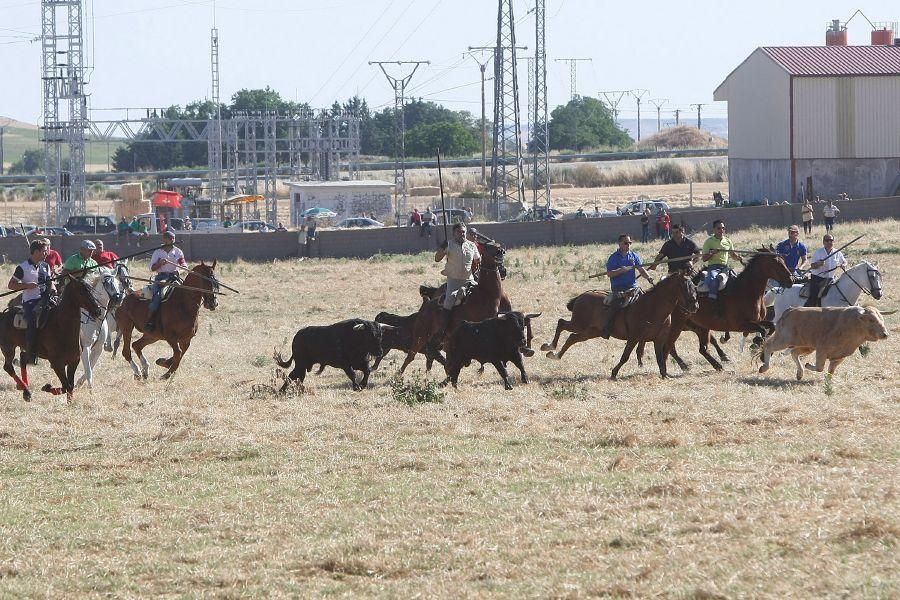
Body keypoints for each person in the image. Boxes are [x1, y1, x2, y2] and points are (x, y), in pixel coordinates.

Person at [8, 239, 55, 365]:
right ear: (36, 252)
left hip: (47, 299)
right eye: (44, 251)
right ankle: (30, 354)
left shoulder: (46, 266)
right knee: (32, 322)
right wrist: (26, 286)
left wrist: (54, 290)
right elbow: (11, 285)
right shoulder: (22, 267)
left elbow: (50, 282)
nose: (47, 253)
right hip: (31, 302)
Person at [601, 234, 654, 339]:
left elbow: (641, 269)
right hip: (619, 288)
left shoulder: (634, 256)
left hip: (633, 287)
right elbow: (610, 274)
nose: (628, 245)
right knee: (617, 306)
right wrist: (621, 270)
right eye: (626, 243)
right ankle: (608, 328)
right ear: (620, 243)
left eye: (630, 243)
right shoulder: (614, 257)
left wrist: (648, 277)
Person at [434, 222, 481, 334]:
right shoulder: (449, 245)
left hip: (469, 280)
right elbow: (437, 259)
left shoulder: (471, 245)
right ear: (454, 233)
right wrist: (442, 248)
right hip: (454, 280)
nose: (462, 234)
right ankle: (442, 330)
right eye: (459, 232)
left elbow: (478, 260)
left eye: (463, 232)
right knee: (450, 300)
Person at [145, 231, 186, 331]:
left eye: (173, 238)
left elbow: (184, 266)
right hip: (161, 278)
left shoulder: (178, 252)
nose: (172, 240)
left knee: (186, 293)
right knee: (158, 295)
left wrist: (179, 272)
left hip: (175, 277)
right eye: (170, 238)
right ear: (164, 239)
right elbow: (151, 268)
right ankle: (149, 320)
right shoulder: (158, 252)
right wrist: (160, 264)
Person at [701, 220, 745, 302]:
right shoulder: (709, 242)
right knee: (714, 280)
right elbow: (704, 259)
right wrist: (712, 253)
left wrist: (738, 258)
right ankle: (712, 301)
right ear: (714, 229)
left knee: (738, 282)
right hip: (713, 267)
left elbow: (733, 255)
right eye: (719, 228)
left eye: (723, 228)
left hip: (725, 268)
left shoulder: (728, 241)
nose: (721, 230)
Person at [805, 233, 846, 307]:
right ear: (823, 242)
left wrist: (843, 265)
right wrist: (818, 264)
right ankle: (811, 308)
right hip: (817, 278)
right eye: (827, 240)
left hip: (830, 279)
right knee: (814, 296)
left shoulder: (837, 253)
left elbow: (844, 262)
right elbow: (812, 266)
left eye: (831, 240)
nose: (829, 242)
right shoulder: (818, 252)